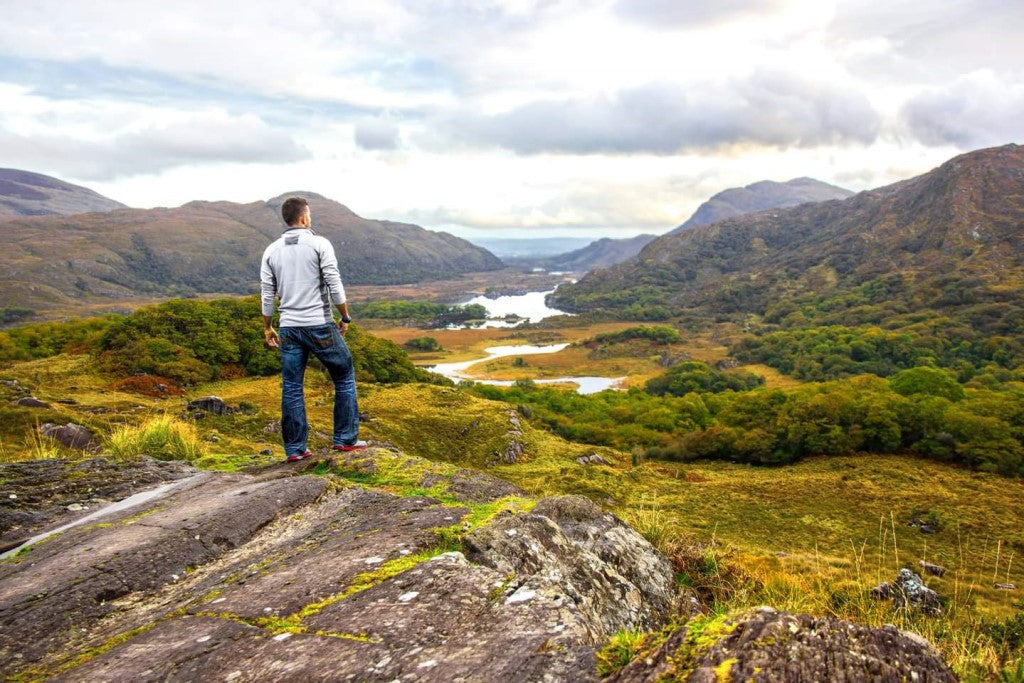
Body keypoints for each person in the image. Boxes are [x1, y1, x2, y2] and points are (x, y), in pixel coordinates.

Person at [260, 196, 367, 462]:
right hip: (318, 324)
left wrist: (267, 327)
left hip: (289, 328)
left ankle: (295, 450)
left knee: (292, 387)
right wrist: (345, 316)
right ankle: (345, 440)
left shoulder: (271, 250)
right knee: (343, 376)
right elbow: (333, 281)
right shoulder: (320, 244)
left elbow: (266, 293)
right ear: (305, 218)